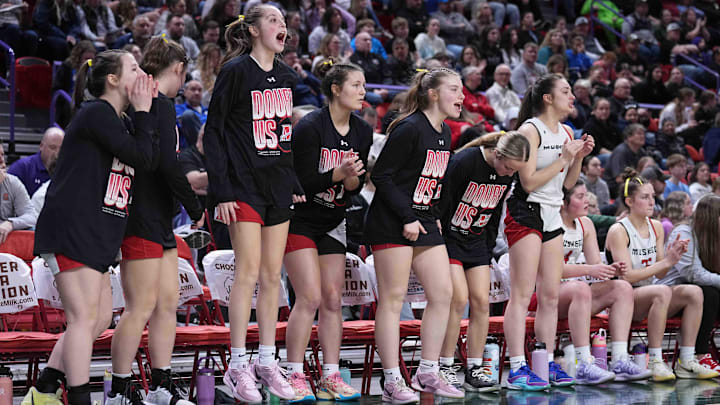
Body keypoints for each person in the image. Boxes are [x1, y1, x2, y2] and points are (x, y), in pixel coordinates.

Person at [24, 49, 156, 405]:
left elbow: (149, 158)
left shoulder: (119, 121)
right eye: (134, 67)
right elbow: (143, 157)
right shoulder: (96, 113)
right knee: (83, 319)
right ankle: (80, 398)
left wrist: (146, 113)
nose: (141, 73)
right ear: (112, 79)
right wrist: (143, 111)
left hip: (97, 232)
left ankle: (45, 389)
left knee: (97, 319)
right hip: (73, 228)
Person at [203, 6, 300, 402]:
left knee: (272, 275)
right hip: (241, 185)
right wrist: (221, 190)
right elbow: (214, 132)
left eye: (284, 21)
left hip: (277, 186)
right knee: (247, 272)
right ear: (254, 29)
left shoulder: (289, 76)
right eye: (274, 20)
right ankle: (237, 364)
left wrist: (292, 179)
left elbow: (282, 134)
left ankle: (266, 360)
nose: (282, 26)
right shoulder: (235, 71)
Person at [107, 36, 203, 405]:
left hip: (158, 219)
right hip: (141, 216)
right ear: (178, 69)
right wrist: (195, 208)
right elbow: (167, 165)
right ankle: (118, 388)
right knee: (140, 307)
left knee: (167, 303)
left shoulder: (153, 105)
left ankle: (161, 386)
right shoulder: (158, 106)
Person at [364, 68, 465, 402]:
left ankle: (427, 370)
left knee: (444, 294)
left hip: (422, 219)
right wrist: (407, 216)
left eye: (462, 90)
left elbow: (429, 183)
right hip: (391, 220)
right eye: (454, 89)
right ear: (433, 94)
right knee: (393, 300)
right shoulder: (409, 128)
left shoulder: (444, 132)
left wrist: (431, 216)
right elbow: (382, 176)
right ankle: (392, 380)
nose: (461, 97)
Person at [284, 63, 372, 402]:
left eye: (364, 85)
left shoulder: (363, 131)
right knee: (309, 297)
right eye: (356, 84)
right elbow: (300, 183)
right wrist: (337, 174)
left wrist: (350, 182)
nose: (363, 91)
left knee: (334, 299)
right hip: (299, 218)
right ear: (336, 89)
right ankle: (293, 373)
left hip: (333, 217)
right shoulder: (309, 127)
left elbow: (355, 184)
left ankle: (330, 375)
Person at [503, 73, 593, 390]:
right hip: (525, 211)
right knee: (522, 294)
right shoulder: (530, 130)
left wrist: (578, 158)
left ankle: (545, 360)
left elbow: (567, 185)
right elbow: (527, 182)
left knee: (551, 296)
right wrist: (565, 157)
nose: (573, 96)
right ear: (548, 98)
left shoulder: (567, 131)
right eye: (566, 91)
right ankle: (516, 367)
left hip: (553, 211)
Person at [436, 131, 530, 392]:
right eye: (508, 168)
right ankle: (445, 365)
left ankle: (474, 366)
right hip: (451, 238)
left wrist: (488, 248)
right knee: (458, 299)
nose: (509, 174)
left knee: (481, 301)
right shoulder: (465, 161)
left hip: (477, 242)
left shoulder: (505, 175)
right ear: (497, 154)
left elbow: (495, 212)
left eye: (515, 171)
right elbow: (442, 202)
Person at [606, 170, 718, 382]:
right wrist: (665, 262)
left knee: (694, 292)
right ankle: (656, 360)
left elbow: (663, 271)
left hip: (653, 292)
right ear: (629, 201)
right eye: (645, 197)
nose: (652, 202)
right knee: (661, 291)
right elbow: (628, 277)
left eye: (653, 197)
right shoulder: (618, 230)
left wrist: (672, 257)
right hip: (624, 299)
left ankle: (687, 359)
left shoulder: (656, 227)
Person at [558, 180, 652, 384]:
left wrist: (611, 270)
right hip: (549, 298)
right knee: (581, 288)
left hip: (579, 296)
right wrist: (590, 270)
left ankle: (619, 359)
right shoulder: (552, 223)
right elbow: (552, 270)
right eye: (580, 197)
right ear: (564, 203)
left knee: (622, 287)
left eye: (586, 196)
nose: (586, 201)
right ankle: (583, 363)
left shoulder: (586, 224)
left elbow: (595, 267)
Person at [660, 194, 720, 372]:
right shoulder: (684, 233)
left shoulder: (713, 237)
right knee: (709, 294)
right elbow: (694, 275)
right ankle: (700, 354)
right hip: (668, 294)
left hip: (694, 295)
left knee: (710, 293)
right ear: (710, 217)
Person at [8, 127, 64, 196]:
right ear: (41, 146)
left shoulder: (67, 170)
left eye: (62, 149)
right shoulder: (22, 168)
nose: (57, 153)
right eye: (52, 148)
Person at [0, 146, 36, 243]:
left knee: (33, 229)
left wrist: (10, 223)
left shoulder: (12, 182)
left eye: (2, 154)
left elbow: (32, 216)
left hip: (5, 241)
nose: (1, 160)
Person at [603, 123, 647, 199]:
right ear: (629, 137)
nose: (642, 136)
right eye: (639, 134)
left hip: (632, 183)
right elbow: (619, 178)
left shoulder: (641, 152)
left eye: (643, 134)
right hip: (615, 188)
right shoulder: (621, 152)